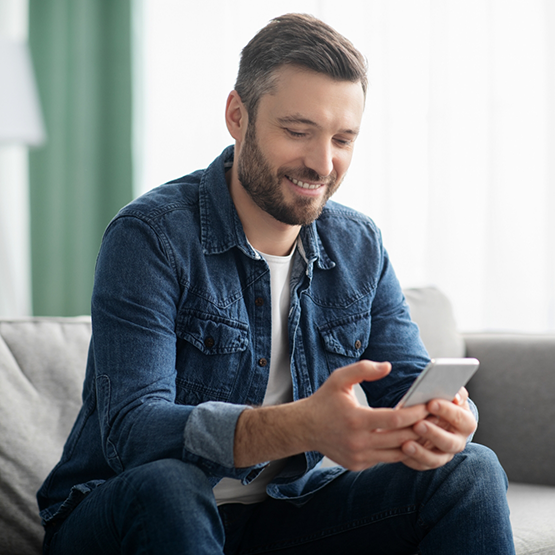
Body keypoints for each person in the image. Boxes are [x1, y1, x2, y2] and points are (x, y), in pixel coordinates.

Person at [38, 13, 515, 554]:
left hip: (283, 515)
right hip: (125, 512)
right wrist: (299, 426)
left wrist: (449, 420)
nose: (321, 162)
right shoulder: (150, 236)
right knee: (169, 485)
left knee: (470, 469)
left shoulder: (358, 244)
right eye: (297, 131)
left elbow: (408, 382)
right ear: (238, 116)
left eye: (343, 139)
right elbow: (134, 433)